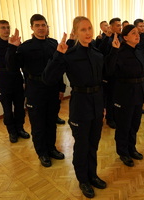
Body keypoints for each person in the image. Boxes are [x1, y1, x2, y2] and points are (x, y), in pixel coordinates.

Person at [43, 16, 106, 199]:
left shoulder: (97, 54)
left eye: (89, 28)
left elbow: (103, 83)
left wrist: (103, 107)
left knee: (93, 144)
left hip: (97, 103)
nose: (88, 33)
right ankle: (83, 180)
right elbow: (48, 78)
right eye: (83, 29)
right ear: (75, 32)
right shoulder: (68, 54)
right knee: (82, 145)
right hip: (80, 105)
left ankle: (92, 175)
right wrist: (58, 55)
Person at [6, 14, 64, 167]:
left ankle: (51, 149)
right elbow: (12, 67)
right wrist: (12, 48)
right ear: (31, 27)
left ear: (47, 27)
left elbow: (59, 68)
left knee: (51, 122)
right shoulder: (24, 47)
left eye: (43, 25)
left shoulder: (54, 43)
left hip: (52, 89)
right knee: (38, 125)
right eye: (37, 25)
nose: (41, 28)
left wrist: (61, 88)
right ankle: (42, 153)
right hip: (35, 90)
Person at [105, 25, 144, 167]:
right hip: (124, 93)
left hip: (138, 92)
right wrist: (114, 50)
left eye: (138, 33)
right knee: (124, 125)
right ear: (125, 37)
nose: (137, 35)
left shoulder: (139, 51)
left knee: (134, 124)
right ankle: (123, 152)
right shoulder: (119, 51)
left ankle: (132, 148)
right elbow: (109, 71)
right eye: (133, 33)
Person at [99, 17, 123, 129]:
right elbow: (101, 52)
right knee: (110, 97)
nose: (120, 27)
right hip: (109, 74)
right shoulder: (105, 38)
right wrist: (107, 38)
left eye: (120, 25)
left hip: (119, 73)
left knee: (117, 96)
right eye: (117, 25)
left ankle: (116, 116)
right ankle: (110, 118)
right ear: (111, 27)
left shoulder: (122, 38)